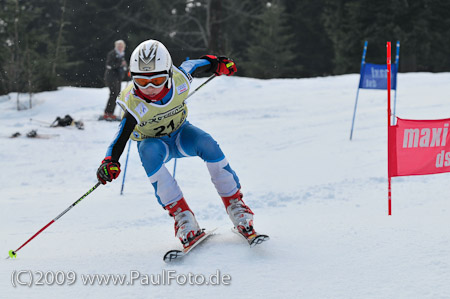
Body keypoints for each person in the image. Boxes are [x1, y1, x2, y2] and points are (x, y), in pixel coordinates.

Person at [96, 39, 257, 249]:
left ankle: (235, 205)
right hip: (155, 144)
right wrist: (110, 161)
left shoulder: (180, 79)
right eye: (142, 82)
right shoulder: (134, 101)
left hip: (181, 135)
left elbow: (200, 64)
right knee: (147, 151)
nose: (150, 88)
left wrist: (218, 63)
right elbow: (121, 136)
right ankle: (184, 218)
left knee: (208, 143)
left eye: (157, 80)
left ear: (169, 74)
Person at [102, 40, 128, 121]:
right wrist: (120, 64)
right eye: (119, 46)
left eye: (122, 46)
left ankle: (111, 112)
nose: (120, 48)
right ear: (116, 46)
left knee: (117, 95)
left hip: (118, 78)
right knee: (113, 94)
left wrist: (126, 68)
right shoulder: (112, 54)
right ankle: (107, 112)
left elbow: (123, 66)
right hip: (111, 77)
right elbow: (109, 65)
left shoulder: (122, 55)